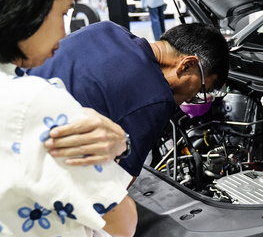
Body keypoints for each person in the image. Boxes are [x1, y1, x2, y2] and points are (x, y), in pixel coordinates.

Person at [0, 0, 144, 237]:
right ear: (25, 6)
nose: (65, 35)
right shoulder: (34, 102)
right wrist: (118, 144)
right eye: (61, 13)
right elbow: (123, 220)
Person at [30, 21, 230, 179]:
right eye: (202, 88)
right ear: (187, 65)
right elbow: (115, 188)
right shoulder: (157, 99)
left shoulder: (106, 28)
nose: (191, 98)